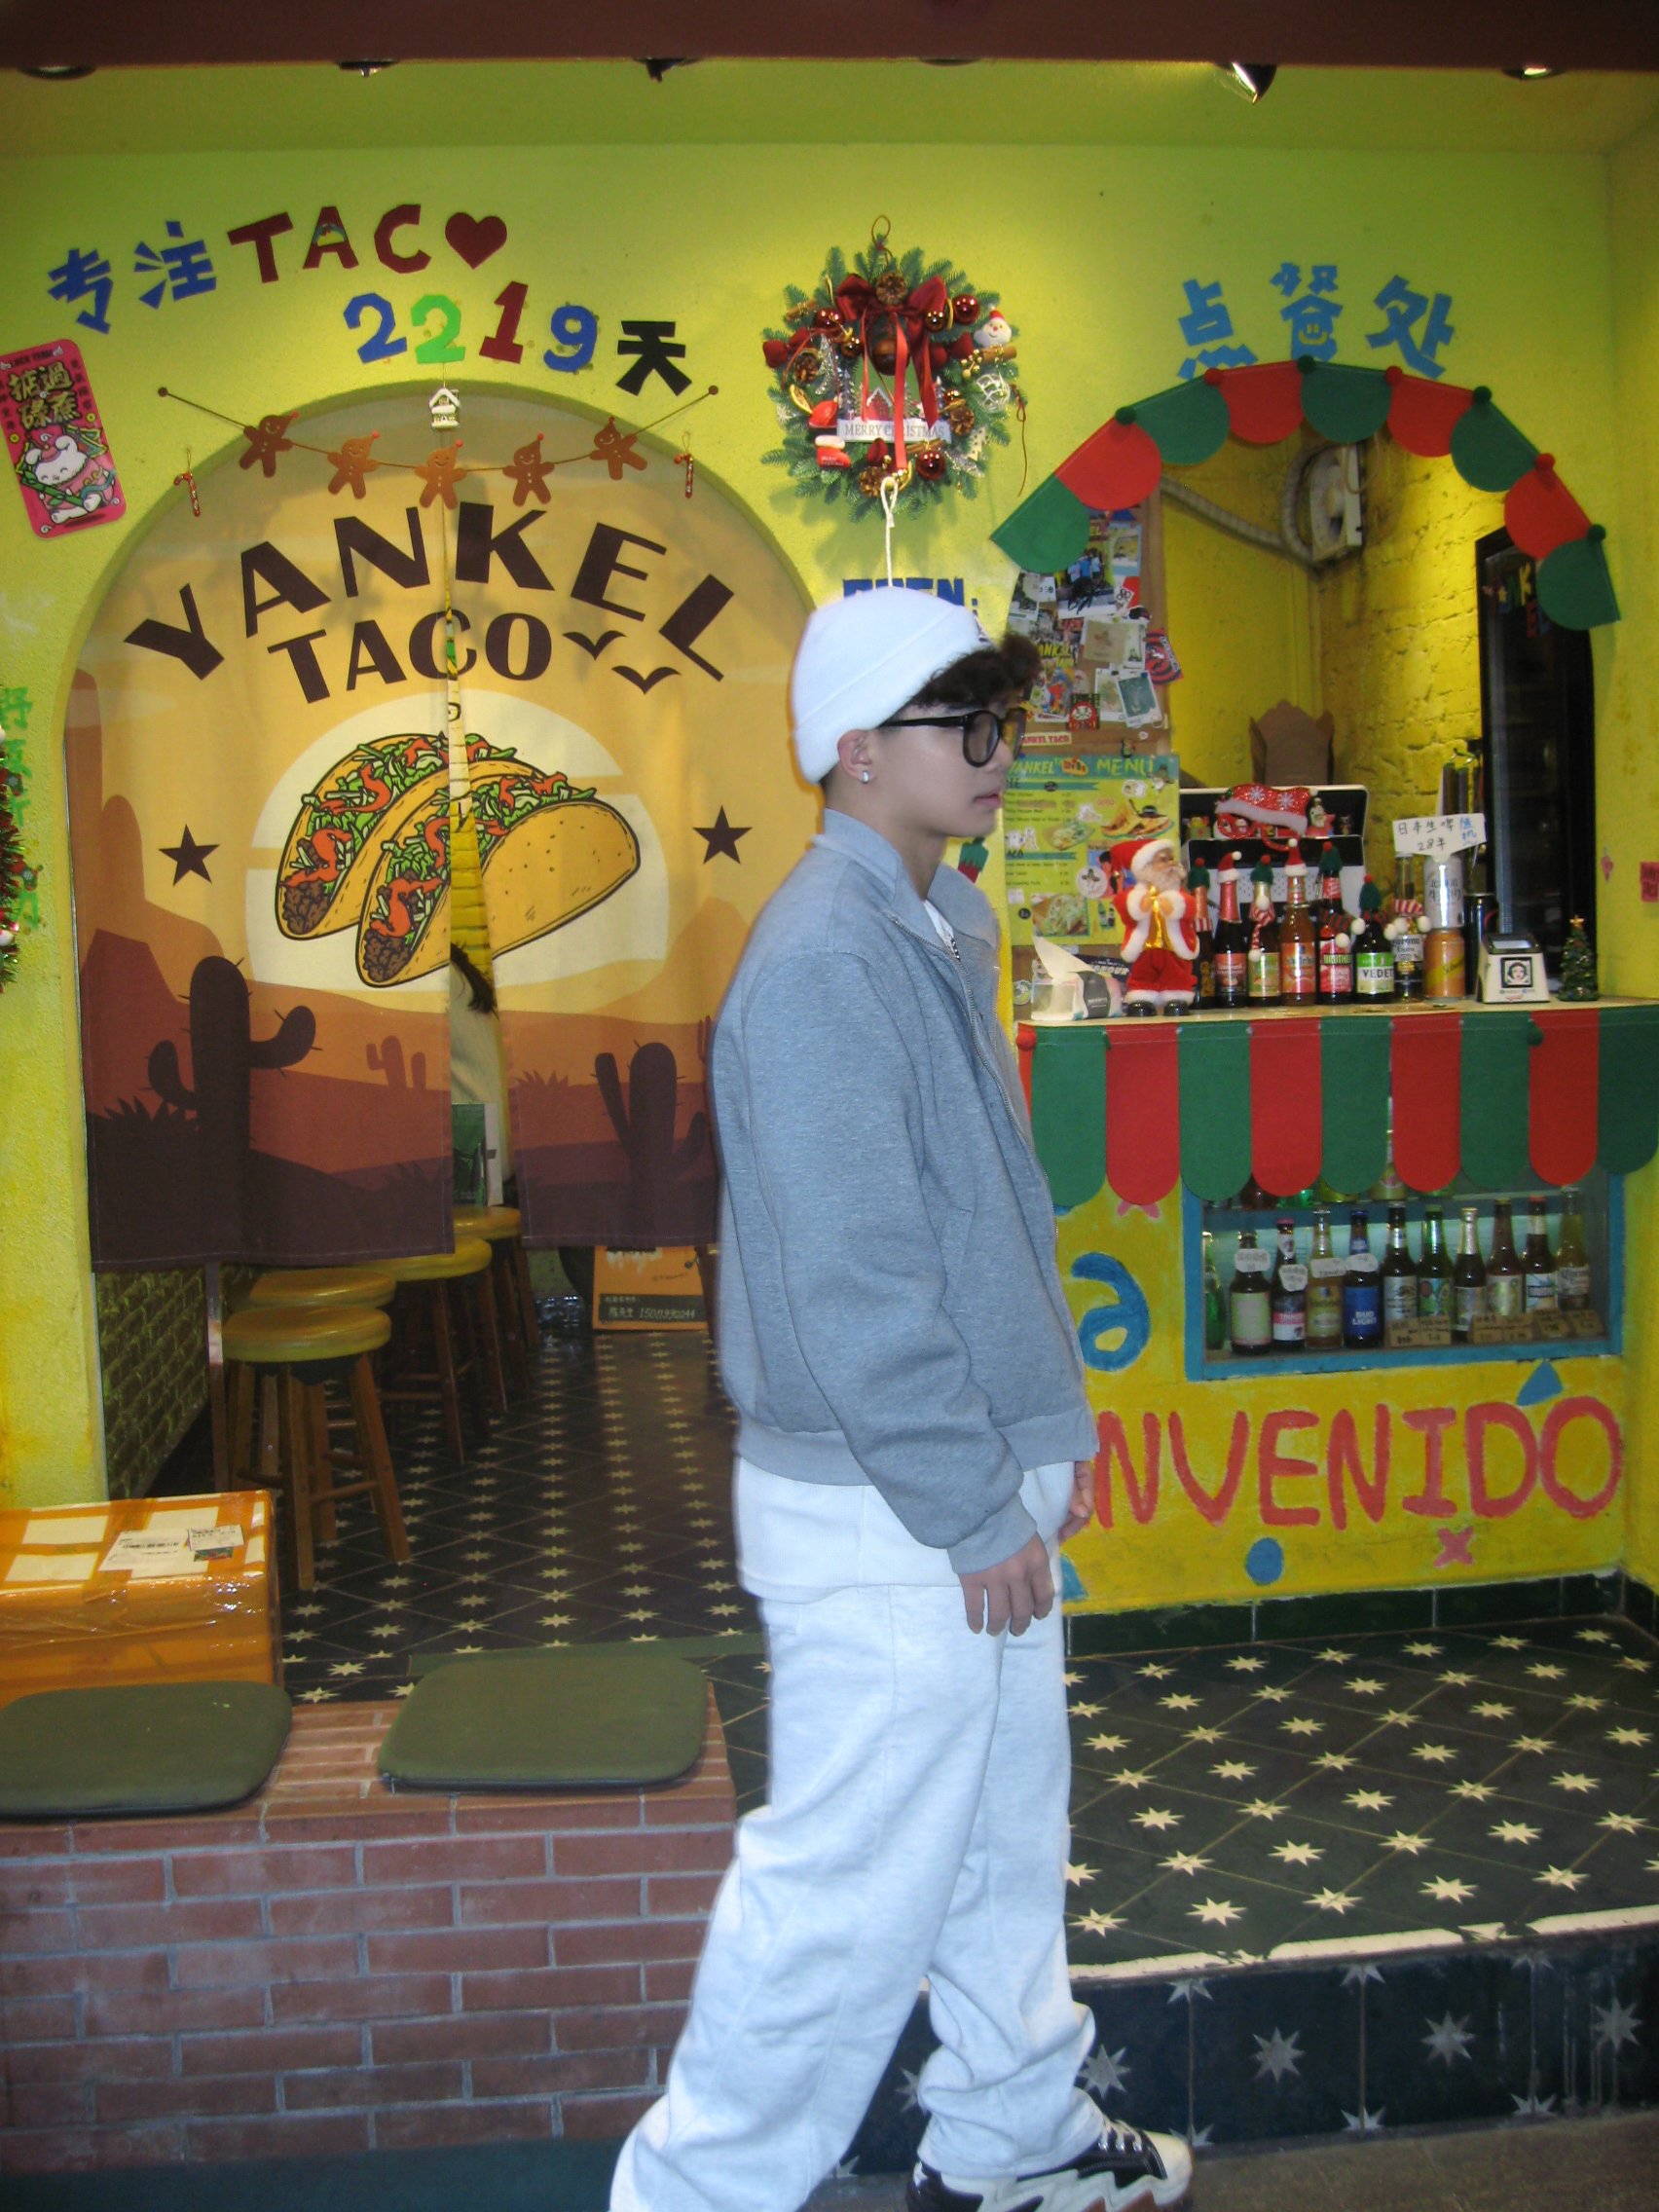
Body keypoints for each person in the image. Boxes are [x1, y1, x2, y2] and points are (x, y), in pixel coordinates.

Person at [609, 590, 1192, 2212]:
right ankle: (694, 2196)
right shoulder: (823, 960)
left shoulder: (939, 926)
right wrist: (970, 1498)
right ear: (856, 750)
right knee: (843, 1897)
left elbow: (973, 1223)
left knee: (1004, 1843)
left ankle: (1016, 2137)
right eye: (967, 726)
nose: (1000, 753)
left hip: (961, 1493)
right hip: (890, 1514)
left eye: (1004, 721)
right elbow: (859, 1282)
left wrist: (1039, 1441)